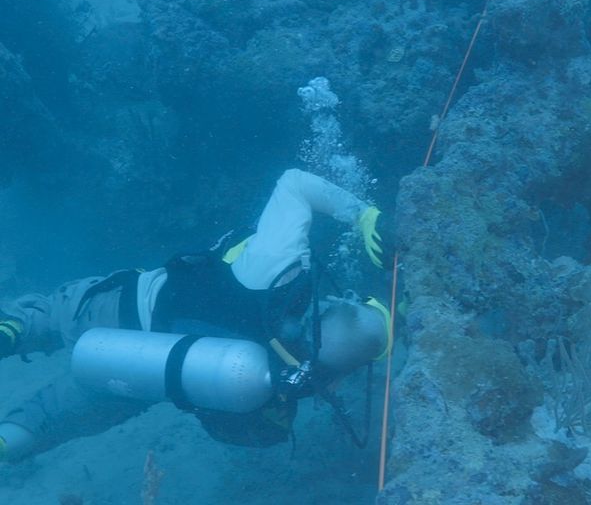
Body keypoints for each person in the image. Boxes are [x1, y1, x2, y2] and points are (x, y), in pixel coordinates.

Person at [0, 168, 393, 461]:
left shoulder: (272, 274)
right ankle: (9, 441)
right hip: (143, 373)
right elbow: (362, 338)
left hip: (119, 307)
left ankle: (12, 332)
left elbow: (294, 182)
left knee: (46, 315)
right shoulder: (309, 375)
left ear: (330, 305)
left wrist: (363, 215)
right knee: (49, 420)